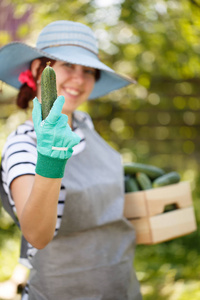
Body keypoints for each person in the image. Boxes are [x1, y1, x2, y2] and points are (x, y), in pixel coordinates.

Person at [0, 20, 142, 300]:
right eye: (67, 65)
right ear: (38, 71)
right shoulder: (23, 145)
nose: (79, 79)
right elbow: (37, 235)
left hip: (120, 286)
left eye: (88, 71)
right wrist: (50, 159)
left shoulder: (84, 124)